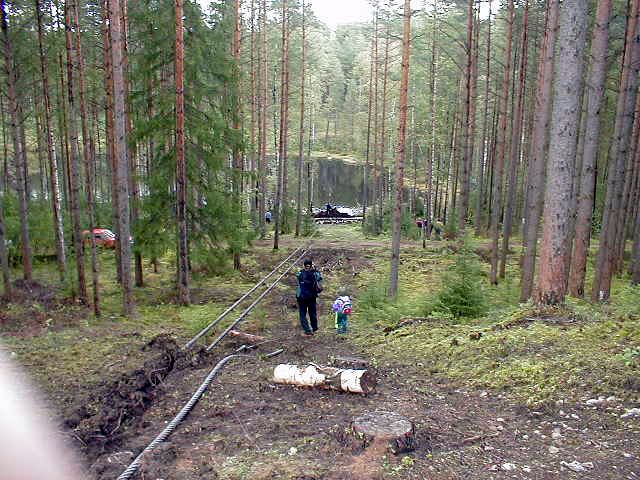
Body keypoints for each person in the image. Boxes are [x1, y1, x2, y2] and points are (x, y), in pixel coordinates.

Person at [296, 258, 323, 336]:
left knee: (302, 314)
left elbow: (297, 277)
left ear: (304, 265)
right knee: (312, 313)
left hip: (302, 297)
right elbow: (320, 278)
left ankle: (307, 330)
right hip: (312, 297)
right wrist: (315, 269)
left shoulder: (300, 273)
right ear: (311, 265)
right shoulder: (315, 274)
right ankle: (315, 328)